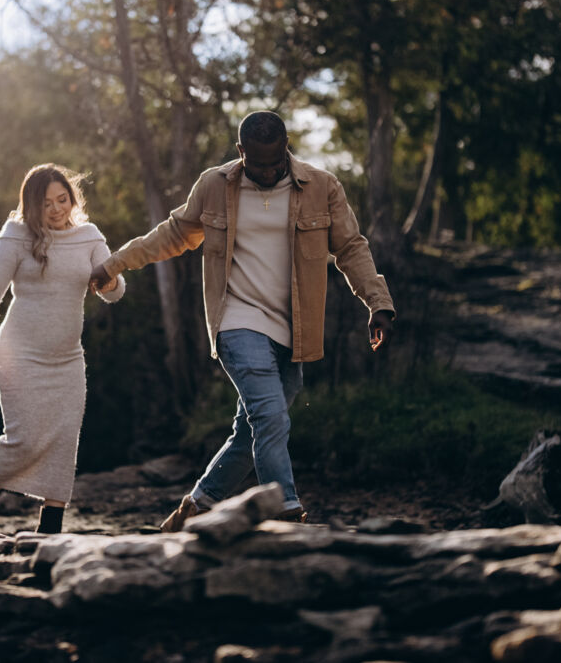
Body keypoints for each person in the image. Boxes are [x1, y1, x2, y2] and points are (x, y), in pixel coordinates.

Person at [89, 111, 395, 530]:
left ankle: (194, 508)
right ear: (240, 152)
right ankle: (285, 511)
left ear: (286, 147)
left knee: (253, 431)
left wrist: (378, 303)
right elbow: (173, 234)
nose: (267, 173)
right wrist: (114, 263)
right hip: (236, 318)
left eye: (275, 163)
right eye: (257, 164)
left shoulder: (322, 187)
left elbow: (351, 248)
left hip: (294, 328)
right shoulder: (215, 186)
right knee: (270, 416)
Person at [0, 163, 125, 534]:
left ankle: (51, 525)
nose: (56, 209)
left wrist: (110, 281)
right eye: (46, 203)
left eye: (62, 199)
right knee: (25, 439)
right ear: (32, 205)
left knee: (64, 440)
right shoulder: (16, 236)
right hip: (19, 354)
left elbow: (115, 292)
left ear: (72, 198)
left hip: (67, 359)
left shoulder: (88, 237)